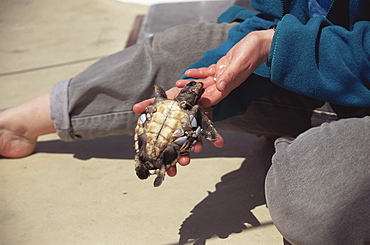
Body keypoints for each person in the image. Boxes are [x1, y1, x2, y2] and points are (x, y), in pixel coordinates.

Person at [1, 0, 369, 244]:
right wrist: (224, 84)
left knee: (317, 205)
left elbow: (280, 40)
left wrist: (275, 47)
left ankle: (306, 146)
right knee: (185, 54)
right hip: (310, 62)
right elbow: (270, 21)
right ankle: (20, 123)